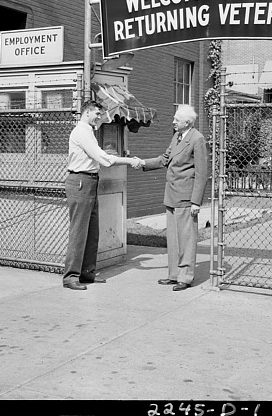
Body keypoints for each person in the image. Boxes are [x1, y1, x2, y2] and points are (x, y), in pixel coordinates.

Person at [63, 100, 141, 290]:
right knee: (79, 231)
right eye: (97, 114)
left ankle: (87, 273)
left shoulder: (88, 131)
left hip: (90, 181)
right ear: (87, 113)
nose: (99, 117)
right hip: (80, 181)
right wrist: (129, 161)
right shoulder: (81, 132)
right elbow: (103, 159)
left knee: (92, 230)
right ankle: (71, 277)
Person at [134, 104, 208, 291]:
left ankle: (186, 277)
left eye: (176, 119)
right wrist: (143, 163)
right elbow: (165, 159)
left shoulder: (197, 139)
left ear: (187, 122)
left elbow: (201, 173)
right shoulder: (177, 136)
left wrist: (196, 202)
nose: (173, 122)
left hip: (186, 197)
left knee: (186, 239)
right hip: (171, 195)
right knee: (173, 239)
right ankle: (174, 275)